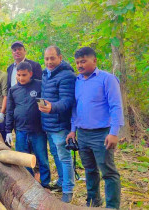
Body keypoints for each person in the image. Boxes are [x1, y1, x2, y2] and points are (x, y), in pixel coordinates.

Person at [67, 47, 124, 208]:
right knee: (90, 170)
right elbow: (75, 108)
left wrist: (114, 132)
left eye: (83, 61)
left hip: (102, 134)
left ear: (94, 60)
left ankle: (112, 206)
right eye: (77, 62)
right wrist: (73, 130)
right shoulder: (77, 81)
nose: (79, 65)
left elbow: (116, 107)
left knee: (108, 172)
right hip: (83, 134)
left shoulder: (107, 79)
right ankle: (93, 201)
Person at [39, 46, 76, 202]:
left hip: (60, 125)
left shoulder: (66, 76)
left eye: (52, 58)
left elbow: (67, 101)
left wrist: (52, 108)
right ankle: (61, 182)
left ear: (60, 58)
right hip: (48, 124)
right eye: (46, 59)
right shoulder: (46, 74)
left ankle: (68, 190)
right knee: (56, 155)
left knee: (65, 158)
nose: (49, 62)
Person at [5, 61, 49, 188]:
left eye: (24, 75)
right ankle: (29, 184)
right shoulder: (13, 90)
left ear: (30, 74)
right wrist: (8, 130)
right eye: (18, 75)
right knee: (23, 159)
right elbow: (10, 110)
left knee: (42, 158)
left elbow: (44, 104)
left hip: (37, 130)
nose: (20, 78)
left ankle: (45, 184)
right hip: (20, 131)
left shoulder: (39, 85)